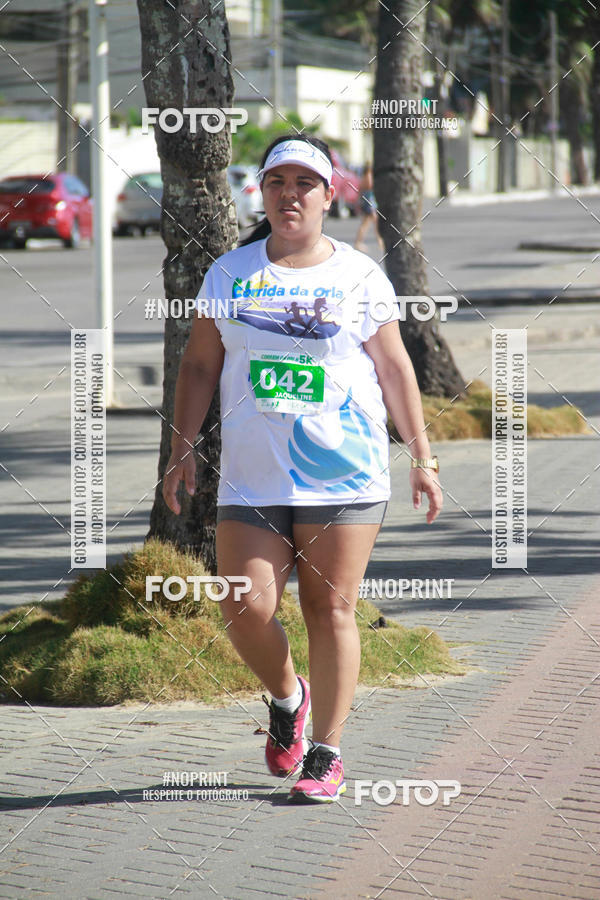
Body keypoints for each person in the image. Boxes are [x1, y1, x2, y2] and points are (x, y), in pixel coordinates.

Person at [162, 134, 442, 803]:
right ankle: (288, 699)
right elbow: (200, 363)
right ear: (262, 192)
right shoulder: (230, 274)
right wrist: (182, 448)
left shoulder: (359, 275)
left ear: (328, 195)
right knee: (244, 603)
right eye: (278, 182)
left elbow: (395, 368)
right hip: (254, 475)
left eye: (305, 183)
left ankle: (327, 751)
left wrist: (423, 456)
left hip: (343, 470)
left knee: (328, 608)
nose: (291, 194)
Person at [354, 162, 385, 254]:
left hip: (369, 200)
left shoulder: (366, 176)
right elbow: (370, 186)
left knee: (373, 221)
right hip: (369, 200)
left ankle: (379, 240)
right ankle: (359, 242)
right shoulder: (368, 176)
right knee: (368, 222)